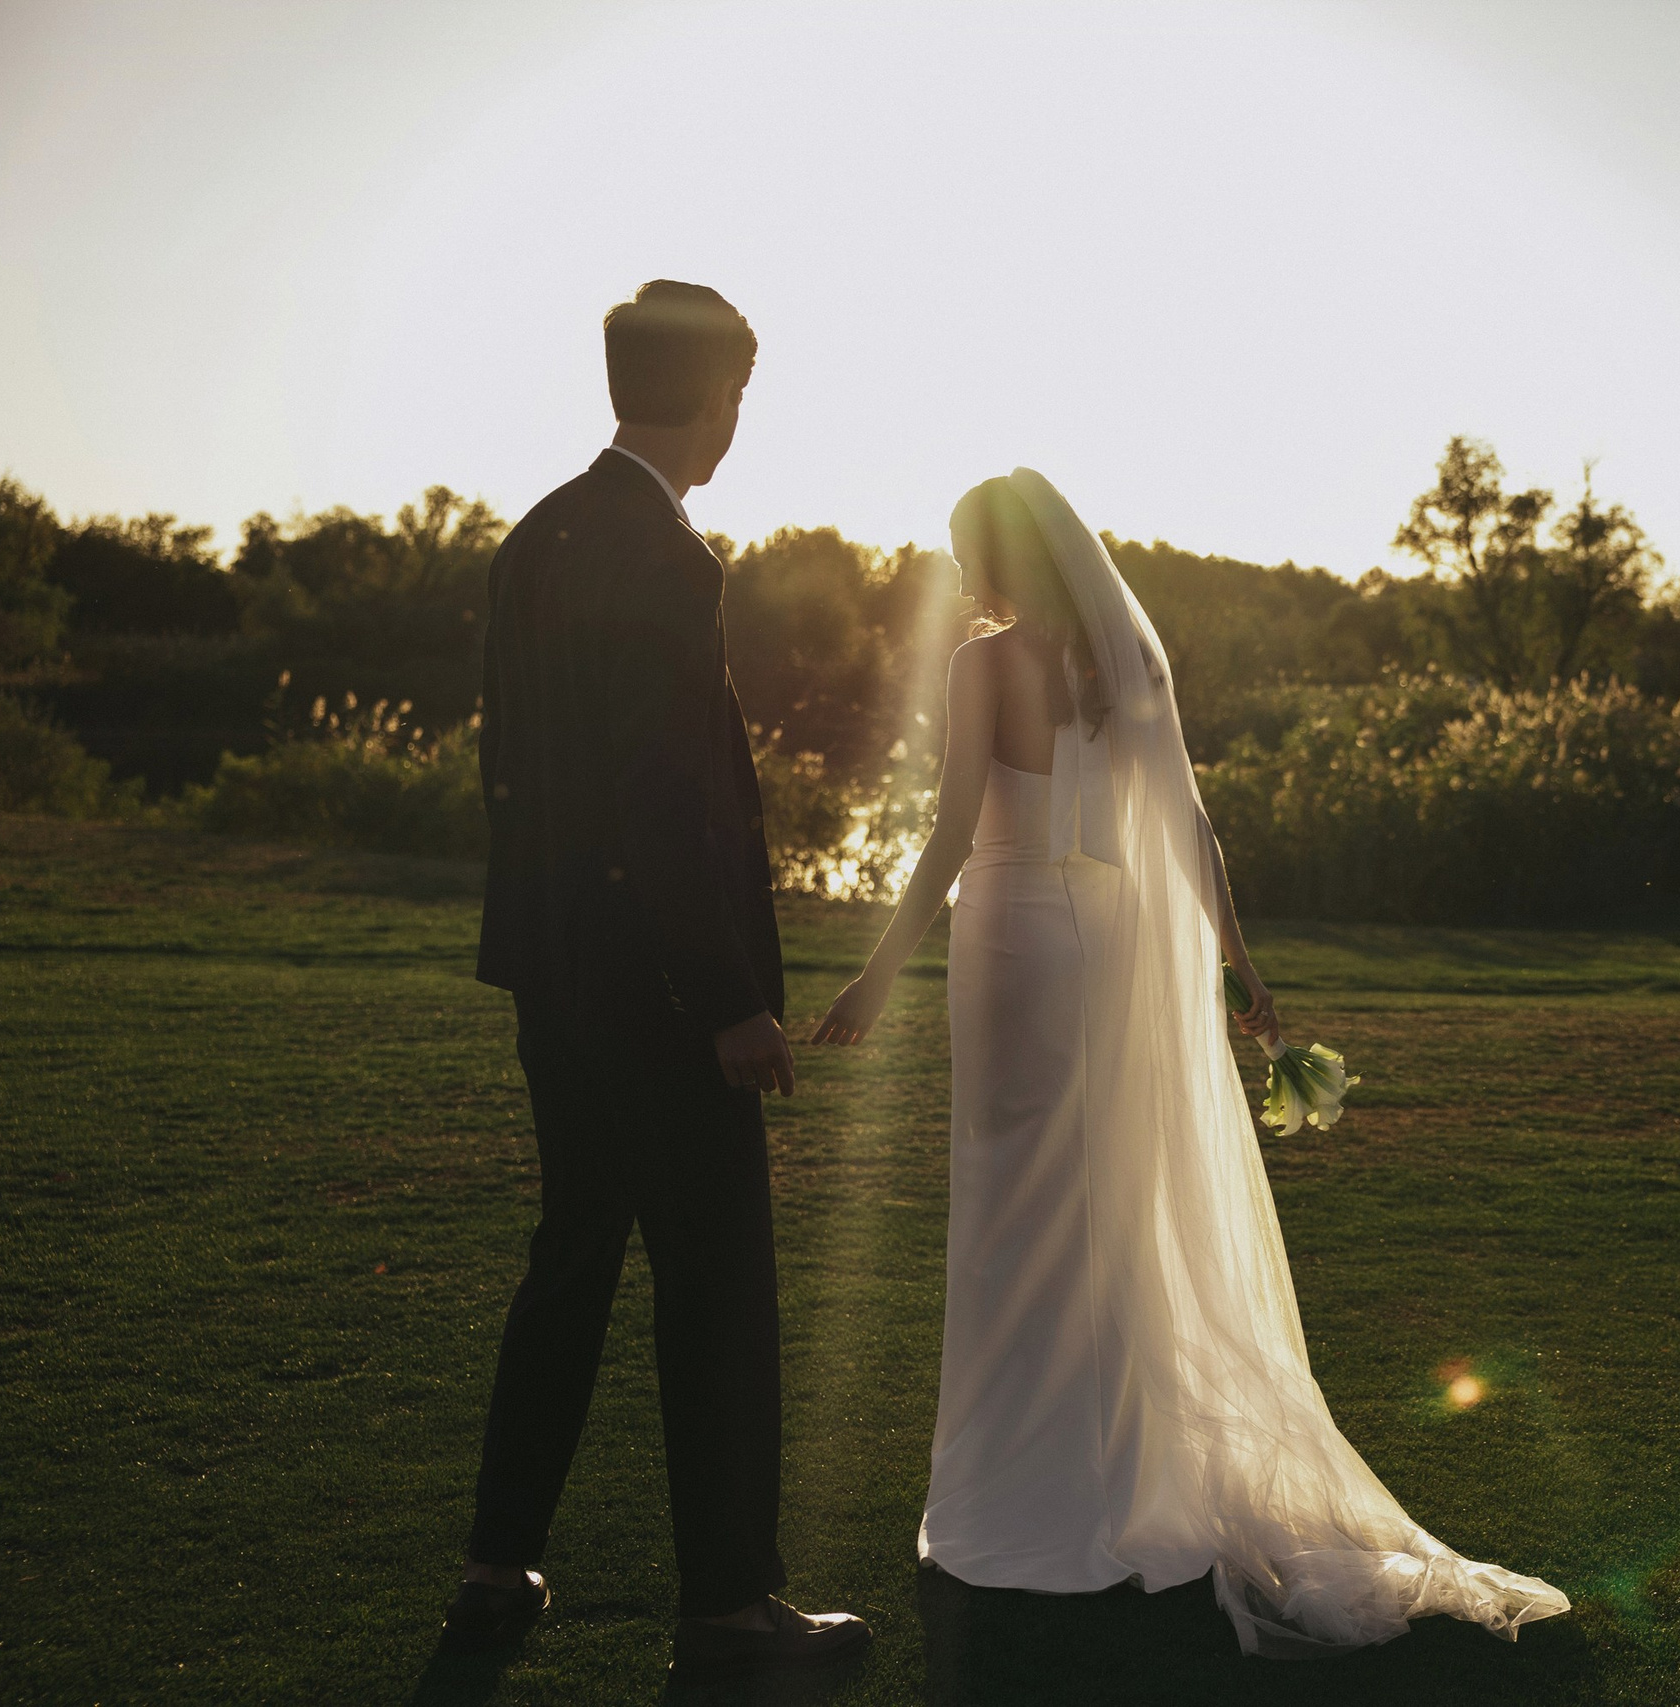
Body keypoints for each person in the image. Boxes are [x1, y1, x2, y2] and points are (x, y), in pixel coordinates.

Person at [813, 469, 1569, 1654]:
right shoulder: (1125, 669)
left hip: (1012, 939)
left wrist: (875, 972)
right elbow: (1189, 829)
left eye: (969, 556)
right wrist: (1240, 964)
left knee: (1013, 1216)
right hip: (1108, 946)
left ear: (1008, 559)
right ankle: (1115, 1487)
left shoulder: (982, 663)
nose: (963, 579)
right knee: (1109, 1213)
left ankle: (1024, 1502)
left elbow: (955, 829)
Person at [445, 280, 868, 1675]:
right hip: (660, 994)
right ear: (712, 397)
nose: (740, 419)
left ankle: (497, 1563)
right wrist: (731, 995)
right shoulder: (670, 558)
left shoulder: (536, 538)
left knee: (568, 1261)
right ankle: (733, 1608)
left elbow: (519, 772)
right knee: (718, 1290)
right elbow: (664, 799)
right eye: (741, 394)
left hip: (554, 976)